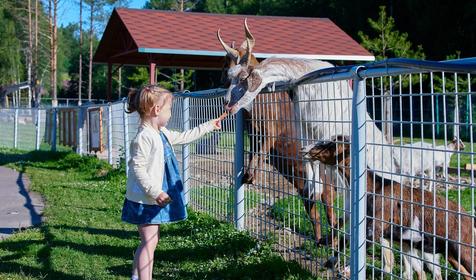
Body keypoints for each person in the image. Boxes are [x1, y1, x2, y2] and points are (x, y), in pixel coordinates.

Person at [121, 85, 223, 280]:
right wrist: (155, 192)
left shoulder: (160, 132)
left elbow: (184, 137)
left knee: (149, 241)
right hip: (145, 199)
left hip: (150, 198)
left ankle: (136, 275)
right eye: (169, 110)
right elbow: (137, 169)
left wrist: (209, 125)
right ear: (156, 110)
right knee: (149, 242)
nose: (170, 115)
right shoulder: (144, 137)